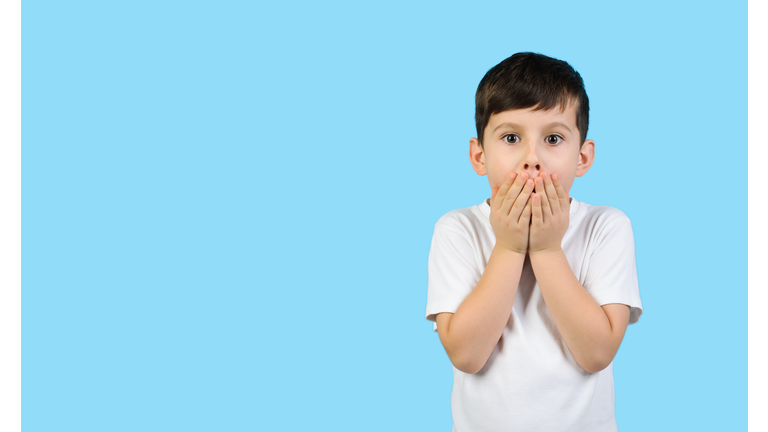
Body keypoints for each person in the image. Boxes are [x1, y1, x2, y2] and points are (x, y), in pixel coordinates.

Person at [425, 52, 644, 431]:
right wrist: (510, 246)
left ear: (582, 157)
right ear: (479, 155)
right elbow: (465, 355)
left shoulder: (606, 226)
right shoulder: (457, 229)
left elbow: (596, 353)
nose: (533, 159)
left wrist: (546, 248)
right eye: (511, 138)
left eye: (554, 138)